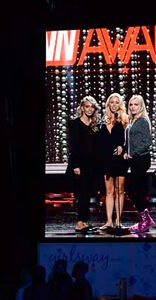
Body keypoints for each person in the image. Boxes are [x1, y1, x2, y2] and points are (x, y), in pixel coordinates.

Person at [66, 95, 101, 233]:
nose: (90, 109)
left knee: (87, 194)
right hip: (79, 165)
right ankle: (79, 222)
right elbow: (73, 146)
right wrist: (75, 165)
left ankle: (84, 221)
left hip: (91, 165)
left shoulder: (95, 125)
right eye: (87, 106)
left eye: (92, 107)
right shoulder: (74, 123)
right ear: (82, 107)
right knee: (81, 194)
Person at [123, 94, 155, 233]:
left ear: (141, 106)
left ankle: (145, 220)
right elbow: (131, 141)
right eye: (131, 104)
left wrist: (133, 153)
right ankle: (144, 220)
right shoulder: (133, 120)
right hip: (135, 159)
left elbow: (148, 142)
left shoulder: (142, 120)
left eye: (136, 104)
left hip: (141, 159)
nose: (133, 107)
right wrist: (126, 152)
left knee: (132, 189)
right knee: (137, 190)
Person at [97, 93, 129, 230]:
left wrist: (123, 147)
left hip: (120, 160)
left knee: (120, 190)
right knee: (109, 191)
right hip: (106, 161)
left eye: (117, 102)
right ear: (108, 104)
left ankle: (118, 221)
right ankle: (109, 221)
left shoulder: (125, 120)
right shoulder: (102, 122)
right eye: (112, 102)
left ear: (120, 104)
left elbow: (129, 140)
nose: (114, 104)